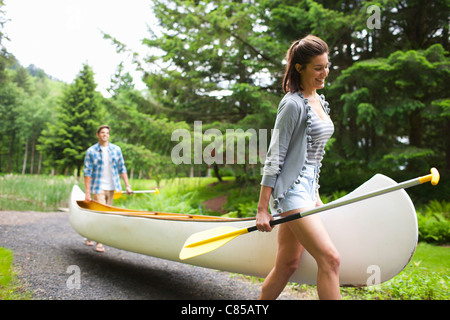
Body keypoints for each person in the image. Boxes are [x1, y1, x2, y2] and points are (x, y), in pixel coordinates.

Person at [256, 35, 341, 300]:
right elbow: (276, 155)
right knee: (330, 259)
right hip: (290, 193)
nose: (324, 72)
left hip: (307, 190)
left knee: (287, 265)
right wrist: (262, 208)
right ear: (300, 68)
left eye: (326, 66)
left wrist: (314, 193)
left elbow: (312, 156)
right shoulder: (292, 104)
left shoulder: (319, 100)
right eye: (318, 67)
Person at [83, 125, 132, 252]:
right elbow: (87, 173)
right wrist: (87, 192)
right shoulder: (91, 151)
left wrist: (127, 185)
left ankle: (90, 235)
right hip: (97, 187)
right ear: (97, 135)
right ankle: (100, 242)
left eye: (107, 133)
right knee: (102, 214)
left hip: (112, 187)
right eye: (102, 133)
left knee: (105, 214)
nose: (105, 135)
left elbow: (122, 168)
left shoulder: (116, 150)